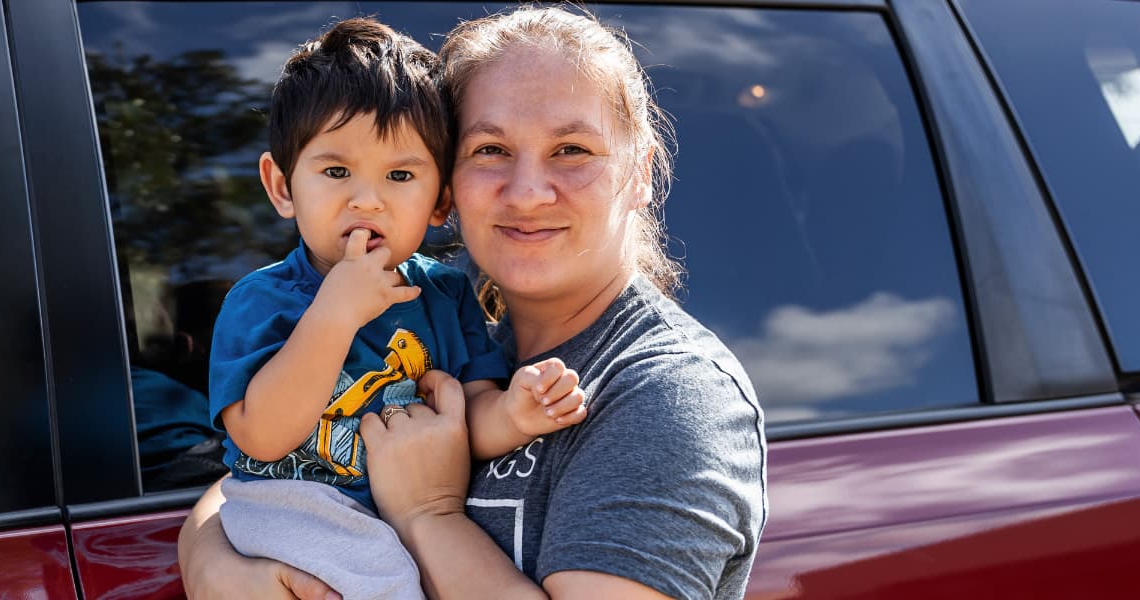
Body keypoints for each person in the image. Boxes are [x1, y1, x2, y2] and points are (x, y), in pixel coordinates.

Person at [181, 6, 768, 600]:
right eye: (489, 149)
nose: (529, 192)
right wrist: (207, 554)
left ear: (639, 171)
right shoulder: (465, 323)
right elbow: (265, 460)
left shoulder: (664, 399)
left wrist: (426, 514)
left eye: (571, 149)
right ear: (452, 187)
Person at [206, 17, 589, 600]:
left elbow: (469, 412)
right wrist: (334, 315)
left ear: (439, 202)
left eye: (400, 175)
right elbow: (260, 436)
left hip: (394, 515)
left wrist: (515, 414)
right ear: (282, 187)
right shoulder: (262, 300)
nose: (366, 198)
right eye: (336, 172)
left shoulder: (445, 294)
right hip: (292, 503)